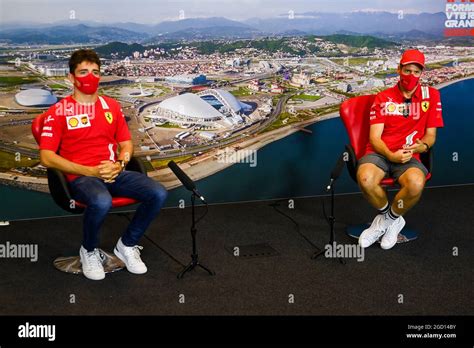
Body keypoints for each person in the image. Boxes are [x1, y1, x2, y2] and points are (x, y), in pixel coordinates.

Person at [39, 49, 168, 280]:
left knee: (157, 193)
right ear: (71, 77)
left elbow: (127, 144)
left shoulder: (112, 107)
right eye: (83, 72)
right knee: (101, 200)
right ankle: (89, 250)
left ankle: (127, 245)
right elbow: (47, 157)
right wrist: (90, 170)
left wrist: (120, 164)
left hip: (113, 171)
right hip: (80, 176)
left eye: (95, 72)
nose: (90, 76)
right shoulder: (58, 112)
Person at [357, 49, 444, 250]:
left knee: (416, 183)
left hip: (409, 155)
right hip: (380, 152)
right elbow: (374, 138)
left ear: (421, 73)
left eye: (416, 72)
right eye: (407, 70)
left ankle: (386, 221)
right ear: (399, 69)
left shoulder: (431, 96)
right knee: (365, 179)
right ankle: (393, 221)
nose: (411, 76)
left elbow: (431, 137)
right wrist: (389, 154)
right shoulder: (383, 97)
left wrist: (422, 146)